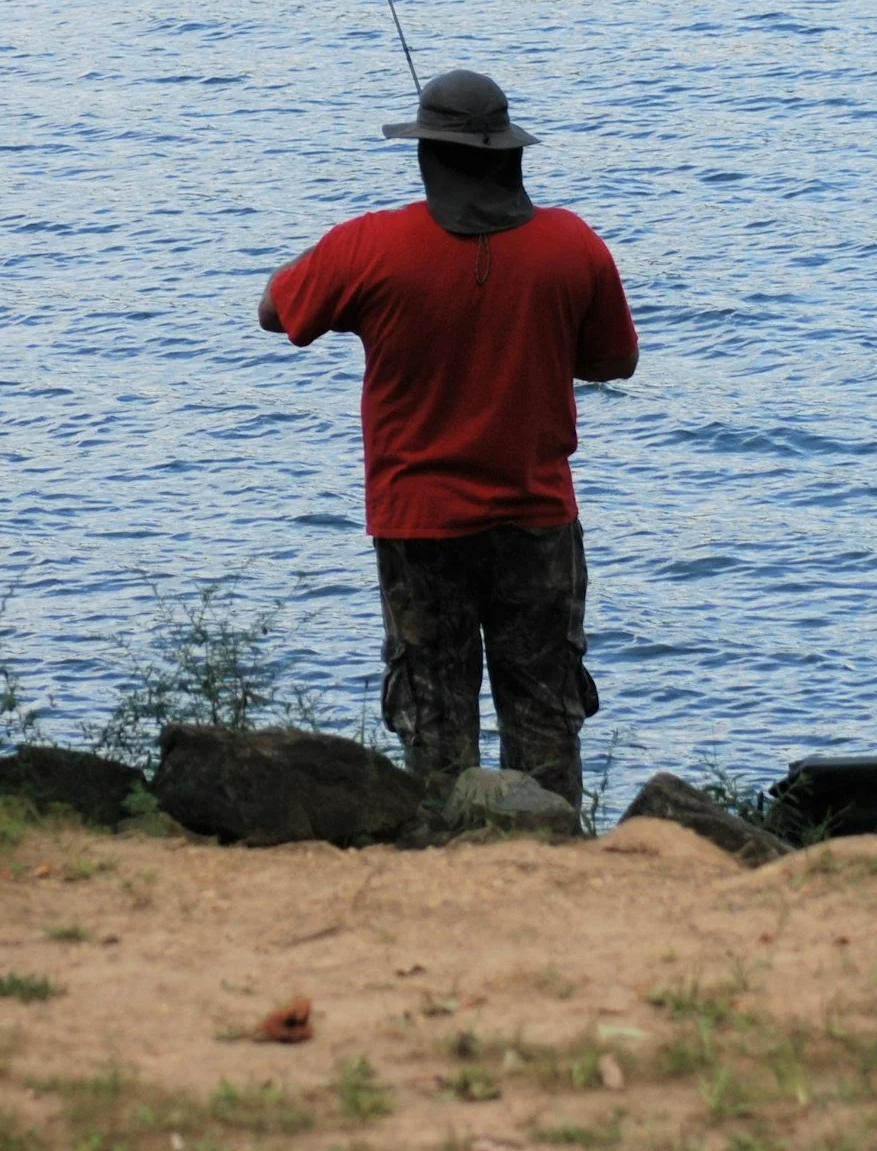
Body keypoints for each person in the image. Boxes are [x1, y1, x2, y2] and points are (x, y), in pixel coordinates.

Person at [257, 68, 638, 813]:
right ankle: (554, 870)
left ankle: (439, 866)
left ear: (428, 157)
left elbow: (275, 310)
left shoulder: (369, 246)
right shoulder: (572, 245)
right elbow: (614, 360)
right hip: (536, 520)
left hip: (418, 526)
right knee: (545, 717)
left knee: (433, 723)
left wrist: (360, 293)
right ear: (508, 156)